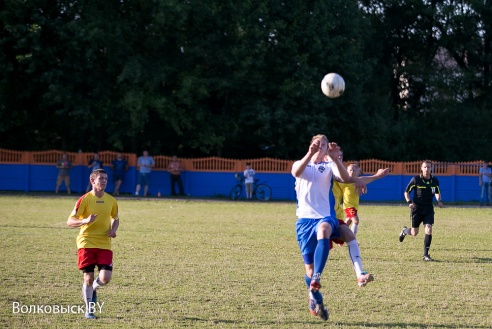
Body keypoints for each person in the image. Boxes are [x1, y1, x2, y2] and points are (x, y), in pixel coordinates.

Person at [292, 134, 366, 321]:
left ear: (326, 150)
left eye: (323, 145)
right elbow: (296, 172)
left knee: (324, 230)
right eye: (317, 143)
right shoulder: (301, 163)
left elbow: (345, 177)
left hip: (325, 217)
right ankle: (316, 300)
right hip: (303, 222)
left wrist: (334, 158)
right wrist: (309, 154)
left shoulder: (329, 165)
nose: (320, 146)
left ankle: (318, 276)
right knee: (308, 274)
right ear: (311, 145)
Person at [66, 169, 119, 319]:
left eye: (106, 179)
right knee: (88, 278)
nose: (104, 181)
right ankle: (89, 311)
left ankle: (94, 288)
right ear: (92, 181)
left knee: (105, 278)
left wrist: (114, 229)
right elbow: (70, 221)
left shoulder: (111, 200)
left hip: (104, 243)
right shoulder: (84, 199)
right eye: (101, 178)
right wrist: (85, 220)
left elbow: (115, 217)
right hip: (86, 242)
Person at [399, 160, 444, 261]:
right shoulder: (416, 179)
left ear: (431, 168)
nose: (427, 169)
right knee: (414, 233)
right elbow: (406, 192)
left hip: (428, 208)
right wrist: (409, 203)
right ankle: (405, 231)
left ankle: (426, 255)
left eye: (428, 167)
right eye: (425, 167)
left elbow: (437, 192)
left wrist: (439, 201)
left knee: (428, 229)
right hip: (417, 209)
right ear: (421, 168)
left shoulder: (434, 180)